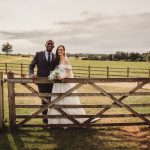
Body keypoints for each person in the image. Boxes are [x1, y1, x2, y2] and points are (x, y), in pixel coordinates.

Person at [47, 45, 87, 126]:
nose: (60, 51)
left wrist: (62, 77)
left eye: (61, 50)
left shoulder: (66, 61)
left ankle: (71, 120)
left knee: (67, 100)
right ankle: (57, 121)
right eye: (58, 50)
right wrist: (53, 75)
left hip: (65, 84)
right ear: (57, 51)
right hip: (57, 85)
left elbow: (69, 73)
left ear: (64, 51)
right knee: (57, 101)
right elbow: (56, 71)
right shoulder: (57, 60)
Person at [29, 40, 57, 124]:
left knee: (51, 99)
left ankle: (51, 116)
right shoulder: (38, 54)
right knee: (44, 100)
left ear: (53, 46)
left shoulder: (55, 56)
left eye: (51, 44)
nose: (49, 45)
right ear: (45, 45)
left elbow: (56, 68)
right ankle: (45, 117)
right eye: (48, 44)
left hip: (52, 82)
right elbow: (31, 66)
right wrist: (31, 74)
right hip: (41, 82)